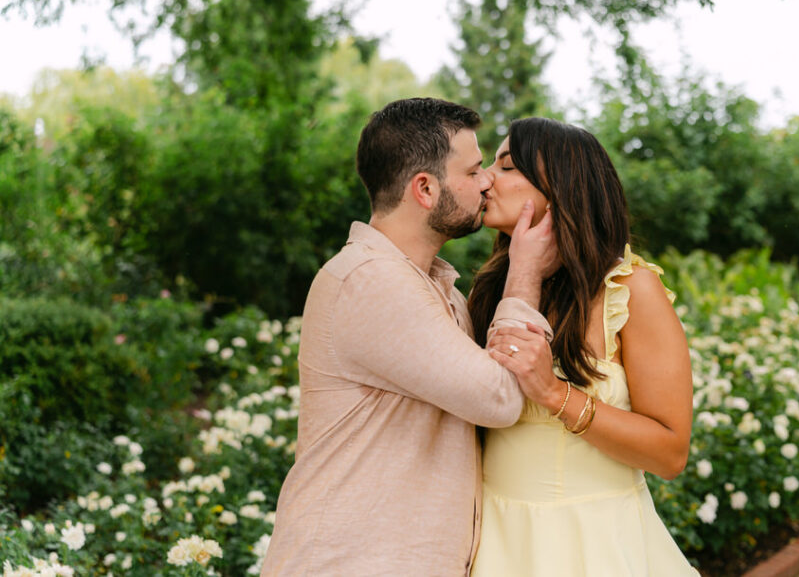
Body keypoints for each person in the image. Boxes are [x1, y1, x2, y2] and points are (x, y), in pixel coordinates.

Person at [261, 98, 558, 576]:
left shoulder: (433, 287)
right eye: (473, 170)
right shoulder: (369, 280)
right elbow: (500, 398)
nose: (487, 182)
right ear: (424, 188)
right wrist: (526, 271)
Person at [467, 117, 700, 576]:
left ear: (562, 186)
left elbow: (671, 453)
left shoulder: (631, 290)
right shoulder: (491, 290)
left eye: (508, 166)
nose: (486, 179)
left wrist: (555, 394)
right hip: (496, 543)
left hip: (597, 548)